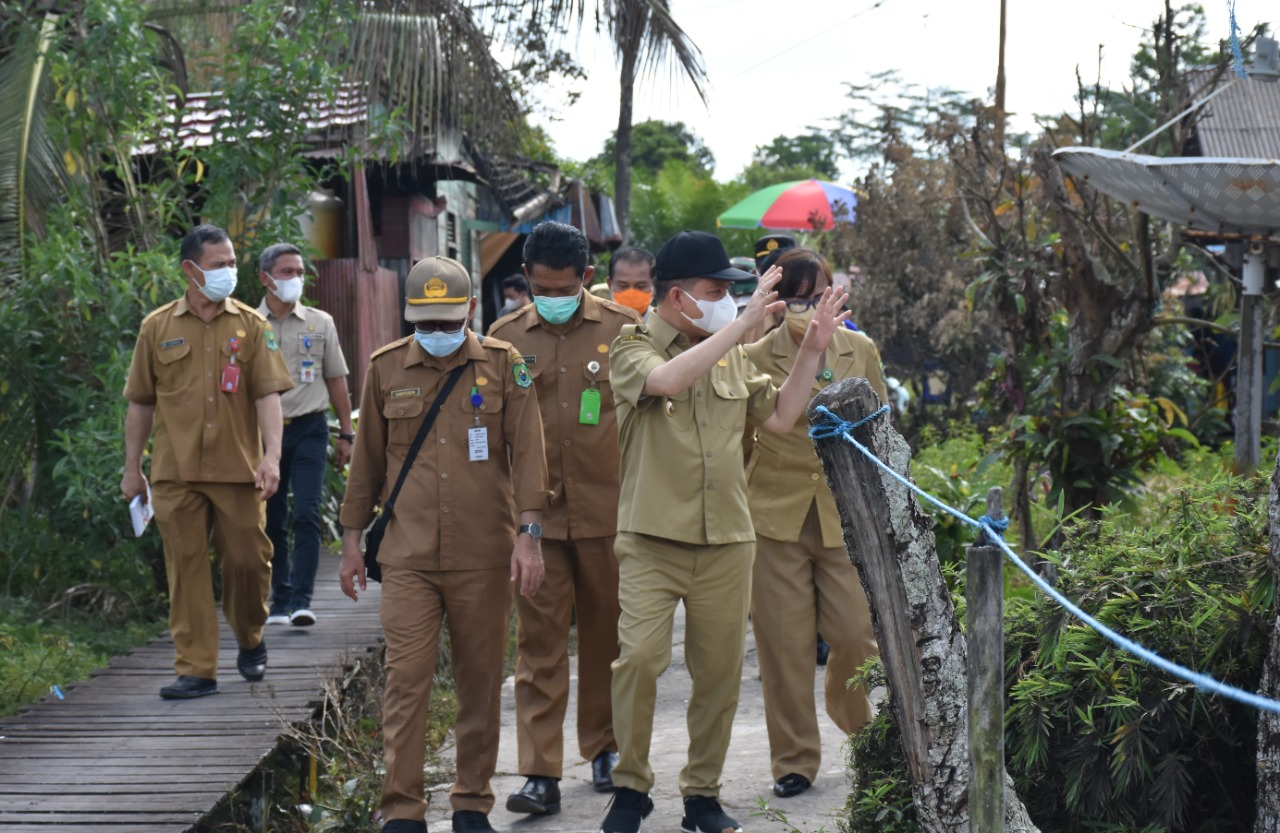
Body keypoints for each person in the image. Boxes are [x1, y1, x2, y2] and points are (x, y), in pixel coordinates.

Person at [598, 230, 849, 833]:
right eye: (717, 292)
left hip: (727, 542)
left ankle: (702, 795)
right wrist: (742, 326)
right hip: (653, 539)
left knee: (718, 673)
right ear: (679, 295)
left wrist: (812, 350)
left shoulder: (728, 352)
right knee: (639, 660)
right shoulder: (632, 348)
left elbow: (786, 417)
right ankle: (631, 787)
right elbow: (667, 382)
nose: (725, 303)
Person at [338, 255, 549, 833]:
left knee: (480, 683)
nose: (435, 334)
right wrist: (352, 542)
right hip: (407, 557)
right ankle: (402, 809)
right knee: (406, 682)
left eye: (446, 323)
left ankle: (471, 802)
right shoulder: (384, 369)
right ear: (410, 317)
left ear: (470, 311)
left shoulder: (505, 367)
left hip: (484, 554)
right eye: (424, 324)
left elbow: (530, 454)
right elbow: (367, 465)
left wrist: (529, 537)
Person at [489, 222, 641, 815]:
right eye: (540, 286)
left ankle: (603, 748)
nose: (550, 296)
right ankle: (539, 773)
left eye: (563, 286)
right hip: (536, 524)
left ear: (587, 278)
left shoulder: (624, 332)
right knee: (540, 645)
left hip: (611, 513)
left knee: (609, 636)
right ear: (526, 278)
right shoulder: (503, 340)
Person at [120, 224, 293, 700]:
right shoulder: (157, 327)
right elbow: (140, 402)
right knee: (187, 567)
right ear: (190, 270)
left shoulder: (252, 326)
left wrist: (272, 457)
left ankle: (250, 635)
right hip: (175, 472)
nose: (229, 272)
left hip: (240, 470)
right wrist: (131, 468)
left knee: (247, 561)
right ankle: (196, 668)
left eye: (232, 263)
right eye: (219, 265)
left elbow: (267, 397)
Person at [743, 248, 886, 799]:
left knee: (855, 636)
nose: (808, 306)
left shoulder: (860, 349)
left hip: (845, 513)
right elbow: (742, 439)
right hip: (774, 515)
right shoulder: (755, 355)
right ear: (778, 300)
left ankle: (862, 732)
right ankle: (794, 761)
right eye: (796, 296)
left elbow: (880, 425)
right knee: (784, 648)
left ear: (835, 292)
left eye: (816, 293)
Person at [256, 243, 355, 627]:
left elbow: (336, 379)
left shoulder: (320, 322)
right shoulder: (249, 323)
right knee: (273, 516)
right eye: (286, 272)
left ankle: (302, 599)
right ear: (266, 278)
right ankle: (279, 599)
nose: (296, 278)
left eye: (299, 272)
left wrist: (346, 434)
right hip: (265, 434)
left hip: (311, 428)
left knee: (307, 513)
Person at [606, 246, 656, 319]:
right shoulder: (599, 326)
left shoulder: (666, 326)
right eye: (623, 286)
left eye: (640, 286)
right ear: (610, 285)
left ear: (655, 286)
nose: (631, 294)